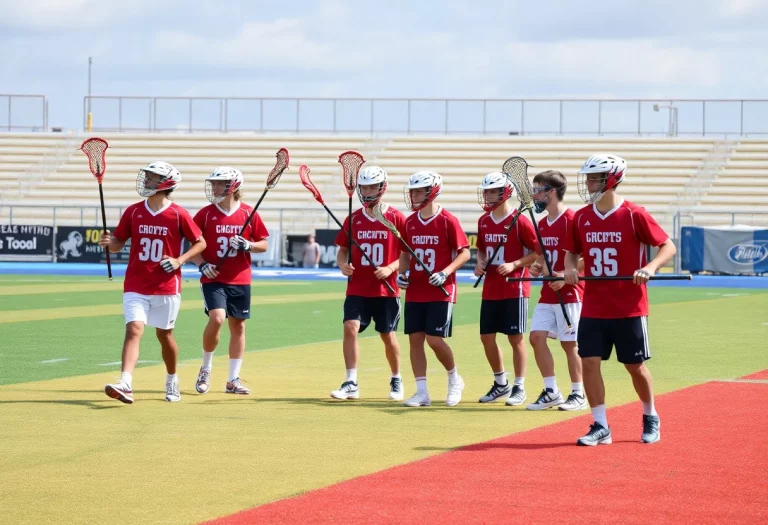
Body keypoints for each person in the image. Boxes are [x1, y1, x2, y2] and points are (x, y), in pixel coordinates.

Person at [563, 153, 677, 446]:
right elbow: (572, 251)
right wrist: (570, 268)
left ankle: (650, 414)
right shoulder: (582, 216)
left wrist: (649, 268)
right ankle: (600, 425)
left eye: (594, 177)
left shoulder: (634, 214)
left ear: (611, 179)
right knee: (588, 362)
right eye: (588, 177)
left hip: (629, 307)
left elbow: (667, 245)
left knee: (634, 366)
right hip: (594, 306)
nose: (588, 183)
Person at [100, 161, 206, 403]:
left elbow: (201, 243)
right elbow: (117, 245)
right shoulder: (134, 211)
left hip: (166, 286)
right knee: (133, 330)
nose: (146, 180)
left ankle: (171, 378)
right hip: (136, 283)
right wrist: (109, 242)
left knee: (164, 335)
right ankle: (125, 382)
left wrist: (180, 260)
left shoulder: (178, 213)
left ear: (165, 183)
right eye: (147, 176)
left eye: (152, 177)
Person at [191, 167, 269, 396]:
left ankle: (232, 380)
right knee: (217, 318)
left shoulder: (248, 213)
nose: (214, 187)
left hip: (241, 277)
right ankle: (205, 368)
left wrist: (248, 245)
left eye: (219, 183)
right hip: (213, 277)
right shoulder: (205, 214)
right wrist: (202, 264)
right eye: (213, 183)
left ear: (233, 186)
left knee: (238, 325)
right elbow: (194, 245)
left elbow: (263, 243)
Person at [331, 166, 404, 401]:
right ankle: (351, 381)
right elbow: (342, 251)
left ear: (382, 187)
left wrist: (391, 268)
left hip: (386, 290)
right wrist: (343, 265)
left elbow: (408, 254)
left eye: (372, 186)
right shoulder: (353, 219)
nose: (368, 191)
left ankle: (396, 378)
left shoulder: (395, 217)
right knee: (350, 327)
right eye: (364, 187)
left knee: (387, 335)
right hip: (357, 288)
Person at [398, 171, 470, 407]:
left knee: (434, 340)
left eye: (419, 190)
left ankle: (454, 378)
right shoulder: (410, 221)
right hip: (416, 290)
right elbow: (405, 254)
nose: (414, 195)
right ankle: (421, 392)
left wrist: (445, 272)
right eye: (413, 190)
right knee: (415, 340)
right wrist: (402, 274)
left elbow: (464, 252)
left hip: (441, 289)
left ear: (432, 190)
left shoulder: (448, 220)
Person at [474, 172, 540, 406]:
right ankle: (501, 383)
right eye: (487, 191)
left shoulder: (520, 220)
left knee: (515, 338)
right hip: (491, 287)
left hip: (515, 288)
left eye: (493, 191)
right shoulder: (483, 220)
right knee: (486, 337)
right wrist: (481, 262)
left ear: (505, 192)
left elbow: (536, 252)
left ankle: (519, 386)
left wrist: (514, 264)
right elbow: (482, 249)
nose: (488, 196)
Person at [525, 170, 587, 411]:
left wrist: (564, 275)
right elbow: (544, 255)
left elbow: (584, 255)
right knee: (536, 338)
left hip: (570, 292)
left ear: (551, 192)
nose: (534, 195)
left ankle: (578, 393)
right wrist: (538, 266)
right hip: (547, 292)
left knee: (570, 344)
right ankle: (551, 391)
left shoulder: (572, 219)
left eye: (538, 190)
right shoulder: (542, 223)